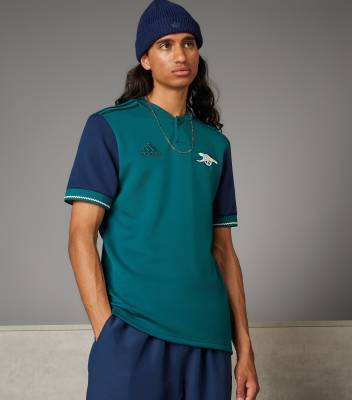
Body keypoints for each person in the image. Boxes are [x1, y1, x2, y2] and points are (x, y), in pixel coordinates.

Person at [64, 0, 260, 399]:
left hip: (208, 338)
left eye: (189, 43)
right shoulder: (109, 128)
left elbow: (224, 251)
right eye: (165, 45)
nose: (180, 54)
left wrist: (245, 350)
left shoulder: (216, 145)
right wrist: (106, 332)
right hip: (133, 333)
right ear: (146, 59)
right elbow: (81, 236)